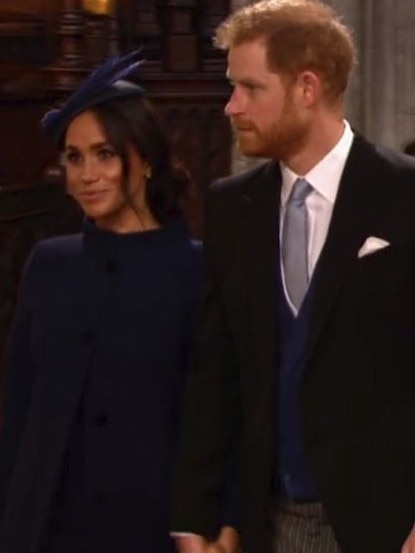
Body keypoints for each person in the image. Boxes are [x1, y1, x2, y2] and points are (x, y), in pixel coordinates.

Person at [170, 1, 415, 553]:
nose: (231, 106)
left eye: (249, 88)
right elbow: (216, 375)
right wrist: (195, 518)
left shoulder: (405, 195)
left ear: (307, 87)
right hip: (269, 523)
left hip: (389, 522)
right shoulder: (233, 207)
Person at [0, 50, 207, 553]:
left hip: (148, 525)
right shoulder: (49, 263)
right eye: (74, 157)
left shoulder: (197, 270)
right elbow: (19, 407)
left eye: (105, 154)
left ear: (147, 161)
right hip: (44, 525)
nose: (86, 174)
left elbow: (209, 421)